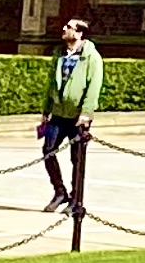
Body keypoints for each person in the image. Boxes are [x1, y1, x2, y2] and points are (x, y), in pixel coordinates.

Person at [39, 17, 101, 210]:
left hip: (77, 117)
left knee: (77, 159)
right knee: (48, 150)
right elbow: (51, 83)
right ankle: (60, 192)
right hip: (58, 113)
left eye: (69, 27)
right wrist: (46, 109)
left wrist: (86, 112)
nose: (64, 29)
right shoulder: (59, 54)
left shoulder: (91, 57)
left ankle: (76, 198)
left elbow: (94, 86)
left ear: (79, 33)